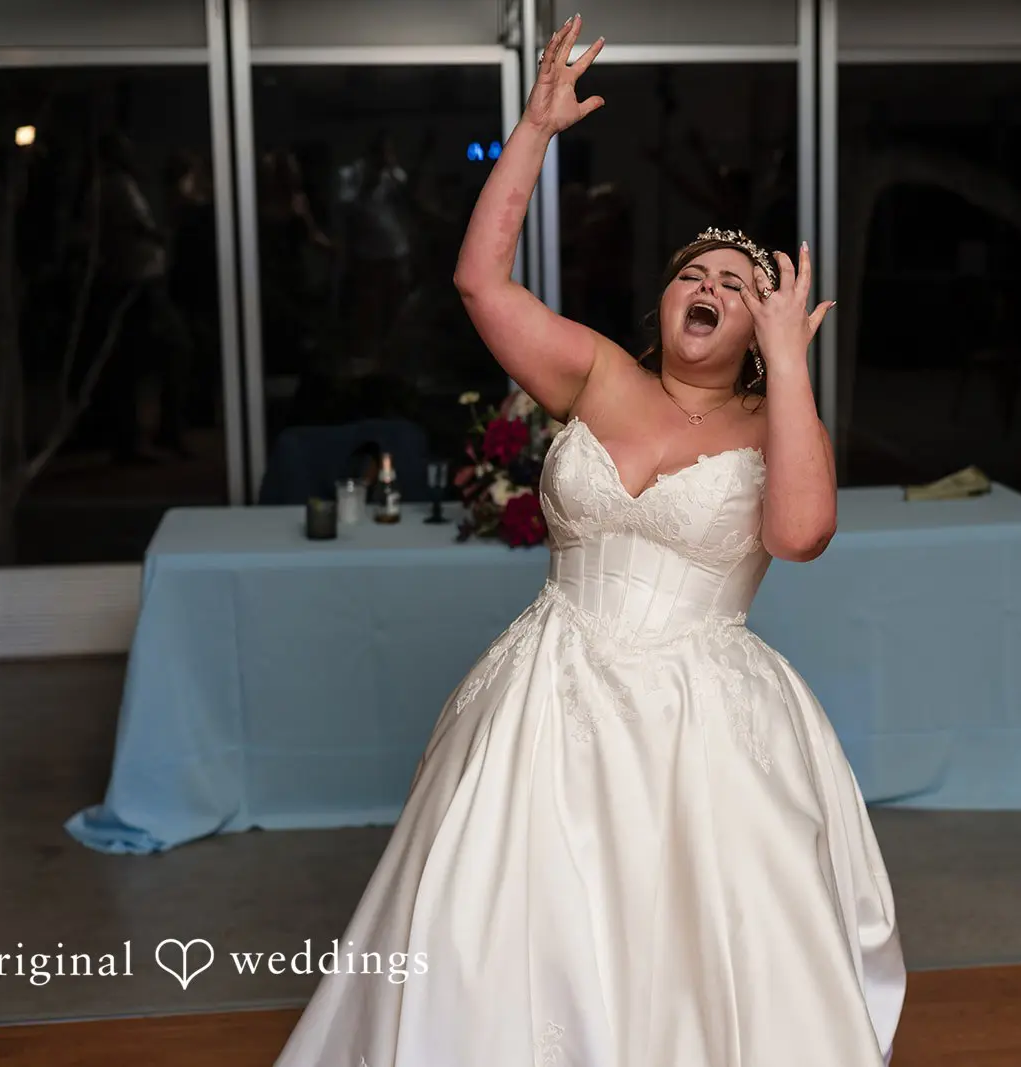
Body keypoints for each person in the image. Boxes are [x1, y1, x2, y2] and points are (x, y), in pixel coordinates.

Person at [271, 16, 904, 1067]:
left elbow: (797, 535)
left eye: (737, 287)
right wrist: (532, 128)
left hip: (706, 708)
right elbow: (481, 282)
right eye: (691, 275)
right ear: (663, 302)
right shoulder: (598, 373)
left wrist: (792, 370)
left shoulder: (772, 419)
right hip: (550, 686)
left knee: (702, 927)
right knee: (512, 917)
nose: (708, 287)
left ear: (764, 329)